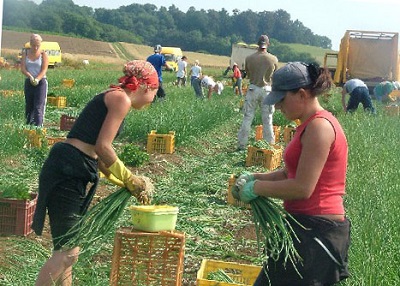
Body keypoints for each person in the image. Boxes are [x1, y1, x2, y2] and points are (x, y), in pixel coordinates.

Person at [31, 60, 158, 286]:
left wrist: (125, 184)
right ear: (147, 87)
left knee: (68, 251)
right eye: (156, 92)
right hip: (68, 169)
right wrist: (131, 178)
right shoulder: (120, 99)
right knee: (68, 252)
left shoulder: (116, 96)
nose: (154, 99)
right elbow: (103, 147)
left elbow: (99, 159)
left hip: (73, 166)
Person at [233, 62, 351, 285]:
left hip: (317, 232)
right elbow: (289, 173)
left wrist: (256, 189)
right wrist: (255, 177)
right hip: (302, 226)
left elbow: (302, 188)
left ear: (302, 94)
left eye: (281, 99)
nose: (278, 107)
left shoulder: (320, 128)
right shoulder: (307, 125)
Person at [237, 35, 278, 150]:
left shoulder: (249, 58)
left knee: (247, 117)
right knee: (268, 119)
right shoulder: (273, 59)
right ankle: (269, 145)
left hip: (253, 88)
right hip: (267, 90)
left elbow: (248, 75)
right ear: (267, 44)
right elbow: (275, 75)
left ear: (258, 44)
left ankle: (242, 144)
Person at [20, 33, 49, 126]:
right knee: (29, 106)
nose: (35, 47)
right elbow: (23, 68)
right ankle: (28, 127)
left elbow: (44, 69)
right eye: (34, 45)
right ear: (30, 44)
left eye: (38, 45)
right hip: (29, 82)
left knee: (38, 107)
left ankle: (38, 129)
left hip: (40, 82)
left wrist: (37, 79)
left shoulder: (43, 54)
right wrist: (30, 77)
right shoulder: (25, 53)